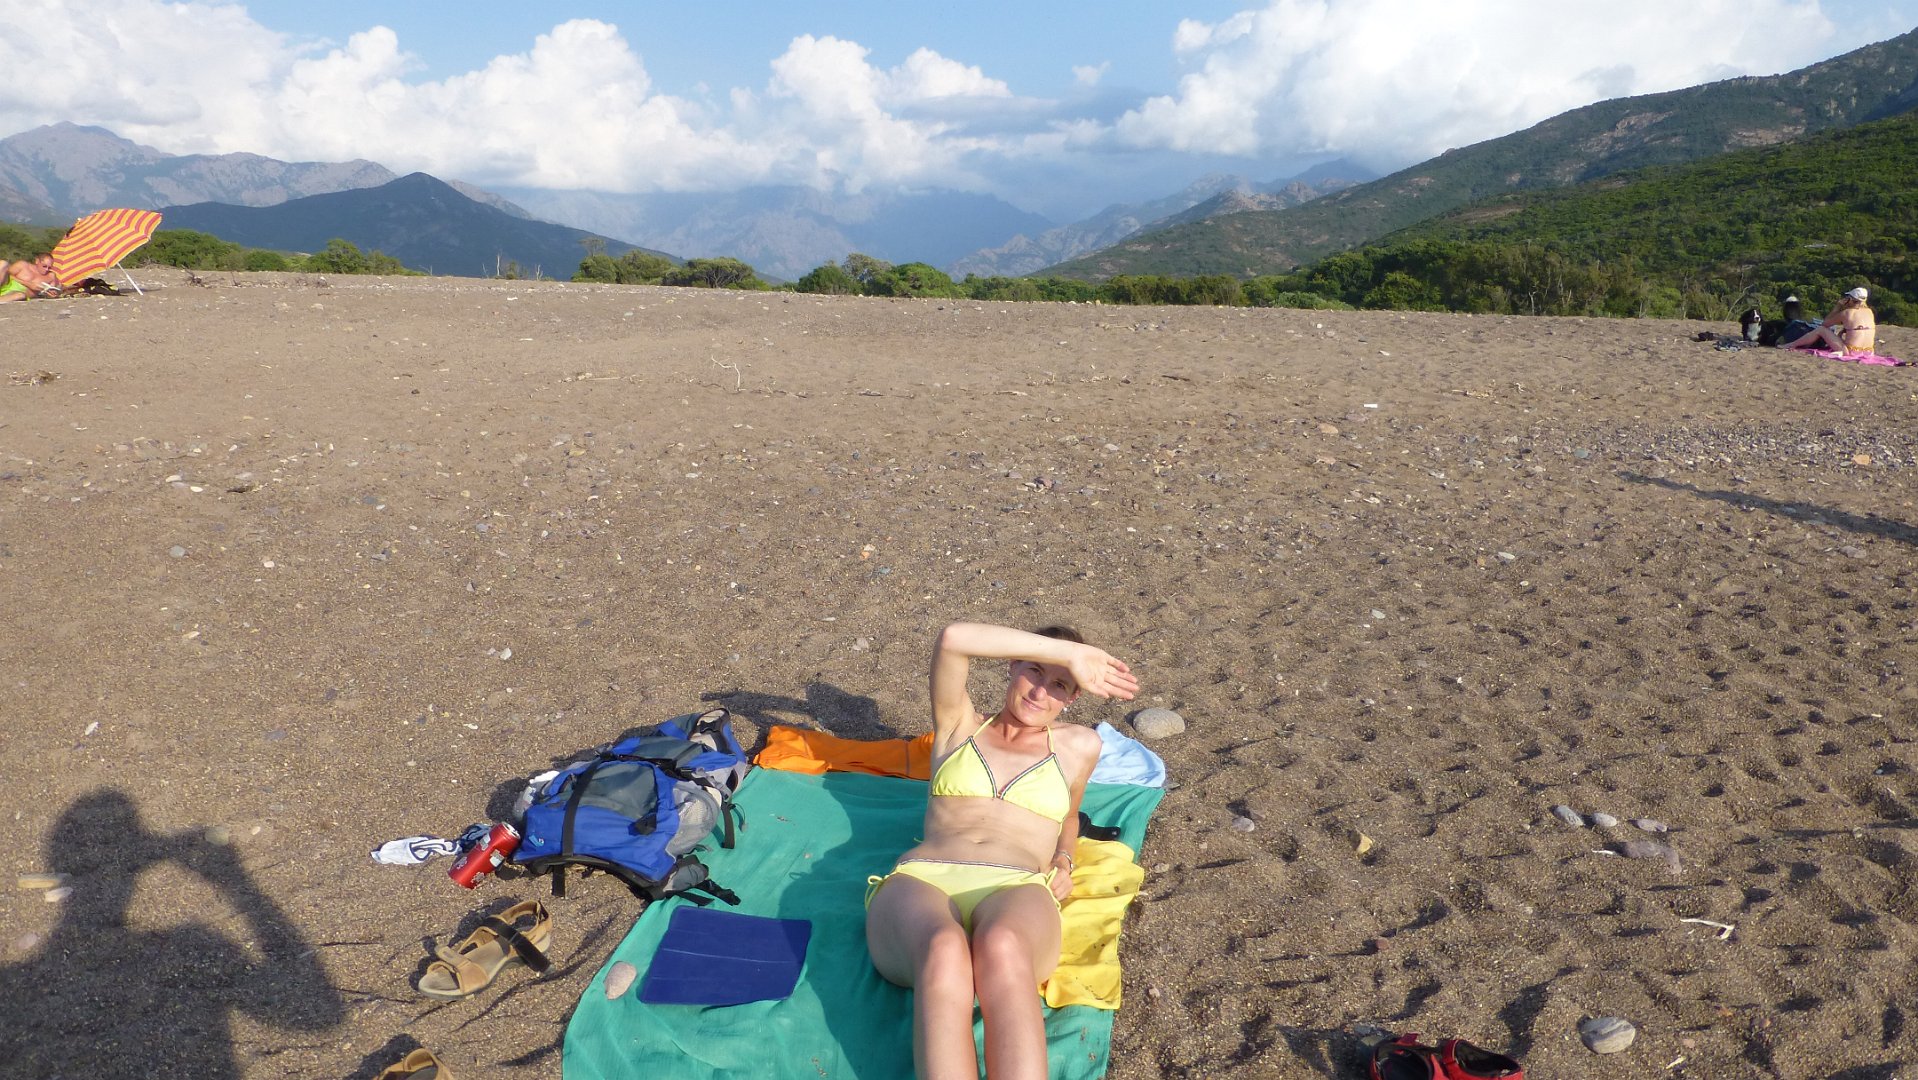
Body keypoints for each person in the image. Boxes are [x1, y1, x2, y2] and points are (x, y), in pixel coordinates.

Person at [865, 622, 1139, 1080]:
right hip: (924, 877)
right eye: (1034, 671)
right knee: (943, 950)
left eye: (1060, 684)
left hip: (1017, 883)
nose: (1040, 692)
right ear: (1012, 665)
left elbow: (1069, 817)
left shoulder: (1078, 745)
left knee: (1003, 945)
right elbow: (953, 639)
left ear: (1074, 697)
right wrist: (1068, 656)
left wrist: (1064, 858)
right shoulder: (958, 726)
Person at [1780, 287, 1875, 354]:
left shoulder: (1847, 312)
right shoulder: (1869, 312)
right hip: (1868, 352)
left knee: (1820, 330)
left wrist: (1837, 307)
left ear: (1850, 299)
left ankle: (1792, 344)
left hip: (1850, 351)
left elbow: (1825, 324)